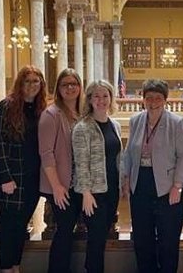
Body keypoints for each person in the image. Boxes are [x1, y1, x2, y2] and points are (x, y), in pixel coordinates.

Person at [120, 79, 183, 273]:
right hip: (140, 182)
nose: (153, 102)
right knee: (142, 237)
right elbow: (128, 153)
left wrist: (178, 185)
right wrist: (126, 179)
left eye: (158, 98)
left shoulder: (176, 123)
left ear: (165, 100)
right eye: (148, 97)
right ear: (143, 99)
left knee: (168, 237)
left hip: (168, 185)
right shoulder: (136, 120)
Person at [0, 66, 47, 273]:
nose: (32, 85)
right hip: (12, 179)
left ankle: (16, 266)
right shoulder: (5, 107)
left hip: (32, 179)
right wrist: (5, 177)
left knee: (21, 225)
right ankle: (6, 268)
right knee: (8, 227)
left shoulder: (42, 110)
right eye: (27, 81)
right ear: (20, 83)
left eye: (36, 81)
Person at [72, 80, 122, 273]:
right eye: (97, 96)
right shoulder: (82, 127)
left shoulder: (115, 125)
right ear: (90, 100)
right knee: (96, 239)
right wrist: (85, 193)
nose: (101, 100)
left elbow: (119, 157)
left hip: (111, 190)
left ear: (110, 98)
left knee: (102, 237)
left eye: (105, 96)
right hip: (92, 194)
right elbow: (81, 163)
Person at [39, 68, 83, 273]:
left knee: (71, 231)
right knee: (64, 231)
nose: (70, 88)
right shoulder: (51, 114)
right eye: (65, 84)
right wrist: (56, 186)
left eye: (74, 83)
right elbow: (46, 153)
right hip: (61, 185)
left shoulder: (82, 112)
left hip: (78, 184)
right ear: (58, 88)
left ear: (80, 87)